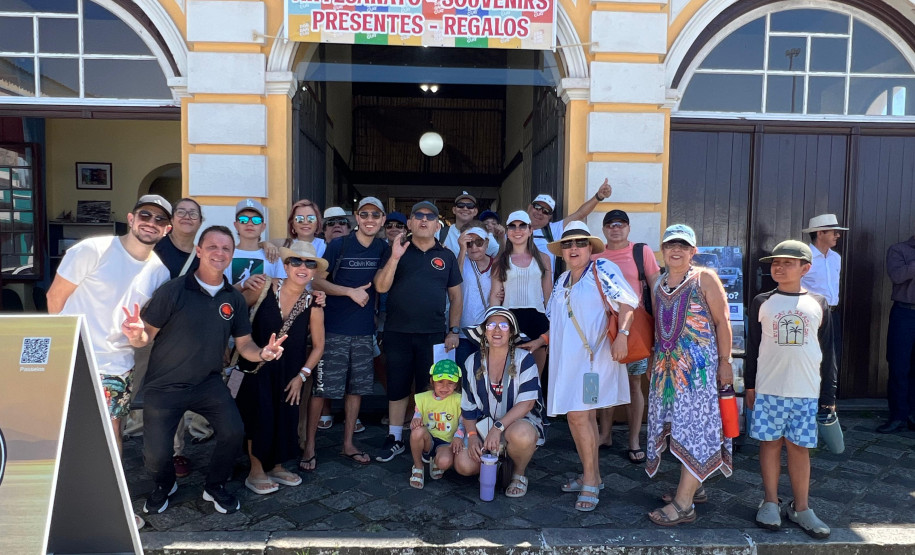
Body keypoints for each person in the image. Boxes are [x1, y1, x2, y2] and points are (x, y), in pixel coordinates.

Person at [126, 225, 288, 516]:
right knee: (156, 455)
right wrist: (136, 334)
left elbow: (245, 343)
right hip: (165, 386)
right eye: (212, 246)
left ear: (232, 254)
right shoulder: (173, 290)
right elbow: (146, 335)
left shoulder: (234, 299)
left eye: (226, 248)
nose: (219, 253)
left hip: (209, 384)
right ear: (199, 251)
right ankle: (164, 484)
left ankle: (215, 486)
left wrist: (263, 353)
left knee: (233, 432)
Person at [46, 194, 173, 530]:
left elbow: (142, 335)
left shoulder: (159, 272)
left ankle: (110, 506)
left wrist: (136, 336)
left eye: (160, 220)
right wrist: (61, 352)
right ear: (131, 218)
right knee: (66, 434)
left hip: (117, 365)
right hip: (74, 357)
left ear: (167, 229)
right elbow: (54, 298)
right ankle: (58, 506)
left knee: (110, 434)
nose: (151, 223)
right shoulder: (93, 250)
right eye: (146, 215)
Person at [520, 222, 638, 511]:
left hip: (593, 361)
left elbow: (627, 304)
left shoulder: (603, 270)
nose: (574, 248)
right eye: (568, 244)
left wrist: (622, 336)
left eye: (580, 243)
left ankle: (589, 480)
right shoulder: (561, 281)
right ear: (561, 251)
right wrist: (541, 341)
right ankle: (593, 475)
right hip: (567, 363)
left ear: (590, 248)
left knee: (578, 417)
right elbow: (558, 322)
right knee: (580, 419)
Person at [745, 240, 835, 539]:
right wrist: (749, 385)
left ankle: (802, 507)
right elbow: (753, 347)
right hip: (769, 388)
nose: (779, 268)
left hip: (806, 390)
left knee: (799, 448)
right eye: (775, 263)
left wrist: (828, 396)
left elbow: (829, 352)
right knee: (769, 444)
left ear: (805, 268)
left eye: (788, 263)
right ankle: (770, 501)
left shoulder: (819, 304)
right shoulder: (762, 301)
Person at [645, 224, 733, 527]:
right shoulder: (658, 284)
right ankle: (696, 487)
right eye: (671, 245)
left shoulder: (704, 279)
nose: (676, 250)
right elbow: (660, 328)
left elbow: (722, 322)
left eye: (683, 245)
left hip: (699, 373)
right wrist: (653, 361)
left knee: (696, 428)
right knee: (678, 428)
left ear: (693, 251)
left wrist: (725, 362)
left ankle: (684, 505)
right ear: (663, 250)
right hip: (667, 372)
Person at [302, 197, 390, 470]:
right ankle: (309, 446)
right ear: (356, 217)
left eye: (376, 214)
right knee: (321, 390)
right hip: (334, 329)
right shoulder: (339, 245)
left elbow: (382, 285)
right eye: (365, 214)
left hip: (364, 331)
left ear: (382, 220)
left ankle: (348, 443)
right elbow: (316, 279)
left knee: (357, 390)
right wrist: (349, 292)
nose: (370, 219)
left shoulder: (383, 248)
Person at [374, 200, 463, 462]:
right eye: (418, 216)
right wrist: (395, 257)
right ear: (410, 223)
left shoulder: (446, 256)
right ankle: (395, 437)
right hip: (398, 331)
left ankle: (427, 438)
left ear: (437, 225)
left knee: (429, 387)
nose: (424, 220)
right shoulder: (396, 250)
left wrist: (453, 330)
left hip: (434, 334)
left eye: (430, 217)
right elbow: (381, 287)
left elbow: (456, 297)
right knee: (398, 386)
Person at [235, 240, 326, 494]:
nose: (302, 267)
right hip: (256, 366)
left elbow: (319, 346)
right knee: (257, 417)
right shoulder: (263, 287)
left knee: (284, 418)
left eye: (309, 264)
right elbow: (235, 313)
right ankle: (255, 470)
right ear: (285, 266)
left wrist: (302, 376)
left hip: (290, 372)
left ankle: (275, 465)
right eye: (295, 261)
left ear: (314, 271)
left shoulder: (314, 303)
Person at [591, 210, 660, 461]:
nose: (615, 228)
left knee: (634, 384)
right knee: (605, 383)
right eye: (610, 224)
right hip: (603, 329)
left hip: (635, 327)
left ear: (629, 228)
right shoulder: (595, 255)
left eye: (620, 224)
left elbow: (655, 286)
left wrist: (659, 326)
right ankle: (604, 434)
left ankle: (633, 440)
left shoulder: (641, 253)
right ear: (604, 229)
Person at [455, 306, 544, 498]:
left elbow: (527, 403)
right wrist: (471, 436)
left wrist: (497, 428)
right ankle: (498, 463)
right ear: (484, 332)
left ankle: (518, 473)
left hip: (516, 424)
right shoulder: (472, 362)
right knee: (463, 464)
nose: (497, 330)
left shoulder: (524, 359)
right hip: (483, 426)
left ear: (511, 333)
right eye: (491, 325)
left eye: (504, 325)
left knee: (522, 435)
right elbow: (468, 407)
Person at [150, 197, 207, 478]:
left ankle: (176, 452)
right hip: (150, 329)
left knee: (176, 391)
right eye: (181, 212)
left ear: (200, 221)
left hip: (185, 333)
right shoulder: (155, 248)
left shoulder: (202, 253)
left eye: (193, 213)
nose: (187, 217)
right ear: (173, 219)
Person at [489, 210, 552, 374]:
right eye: (513, 226)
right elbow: (495, 296)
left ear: (530, 230)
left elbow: (548, 296)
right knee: (512, 374)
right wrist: (493, 324)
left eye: (522, 226)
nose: (517, 230)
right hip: (510, 320)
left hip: (538, 318)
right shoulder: (500, 261)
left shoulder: (544, 258)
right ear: (507, 232)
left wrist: (552, 325)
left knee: (536, 376)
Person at [528, 178, 613, 275]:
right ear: (529, 207)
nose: (540, 212)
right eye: (537, 207)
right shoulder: (513, 230)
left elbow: (580, 214)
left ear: (550, 217)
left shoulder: (552, 230)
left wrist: (598, 197)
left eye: (546, 211)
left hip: (543, 289)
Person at [409, 359, 465, 489]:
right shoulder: (423, 398)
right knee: (417, 431)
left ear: (456, 384)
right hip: (428, 439)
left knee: (444, 462)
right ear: (432, 381)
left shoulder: (459, 400)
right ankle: (418, 466)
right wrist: (415, 420)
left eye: (450, 383)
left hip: (446, 442)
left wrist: (459, 436)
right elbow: (416, 417)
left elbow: (463, 423)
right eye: (440, 382)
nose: (445, 387)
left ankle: (436, 460)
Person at [801, 214, 847, 369]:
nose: (838, 236)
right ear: (820, 233)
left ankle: (829, 394)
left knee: (832, 358)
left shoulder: (836, 258)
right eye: (834, 232)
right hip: (810, 314)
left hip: (832, 314)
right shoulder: (804, 257)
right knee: (810, 357)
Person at [880, 234, 915, 433]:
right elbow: (897, 276)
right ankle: (898, 416)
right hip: (904, 314)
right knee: (899, 366)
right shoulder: (899, 249)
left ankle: (913, 415)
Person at [228, 199, 285, 305]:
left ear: (263, 226)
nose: (249, 224)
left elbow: (282, 288)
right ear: (236, 225)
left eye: (256, 220)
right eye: (243, 220)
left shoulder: (272, 255)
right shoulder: (226, 255)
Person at [456, 221, 494, 375]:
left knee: (486, 376)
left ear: (487, 242)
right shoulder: (459, 261)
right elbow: (454, 281)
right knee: (464, 376)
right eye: (469, 243)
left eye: (478, 242)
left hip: (488, 333)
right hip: (463, 332)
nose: (474, 247)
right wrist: (462, 250)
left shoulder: (497, 264)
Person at [438, 192, 498, 257]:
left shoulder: (485, 234)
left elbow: (498, 257)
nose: (465, 208)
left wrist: (502, 239)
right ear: (454, 210)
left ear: (475, 211)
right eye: (460, 205)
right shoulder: (440, 234)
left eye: (470, 206)